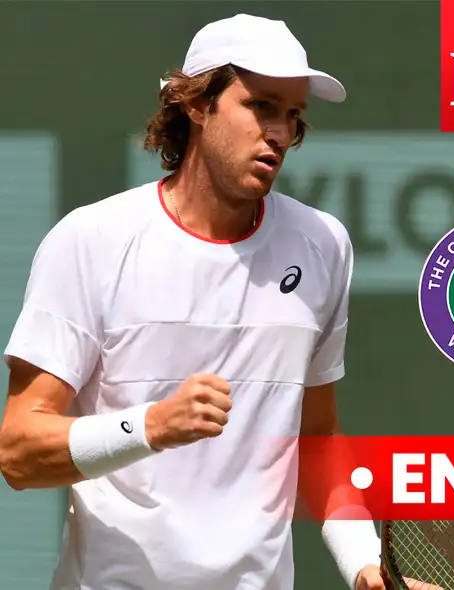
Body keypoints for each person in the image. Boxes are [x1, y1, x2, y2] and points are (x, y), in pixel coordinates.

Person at [0, 13, 386, 590]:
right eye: (261, 105)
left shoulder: (324, 245)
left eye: (293, 115)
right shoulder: (91, 240)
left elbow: (318, 436)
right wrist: (152, 425)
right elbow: (19, 451)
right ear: (196, 104)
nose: (279, 132)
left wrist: (363, 563)